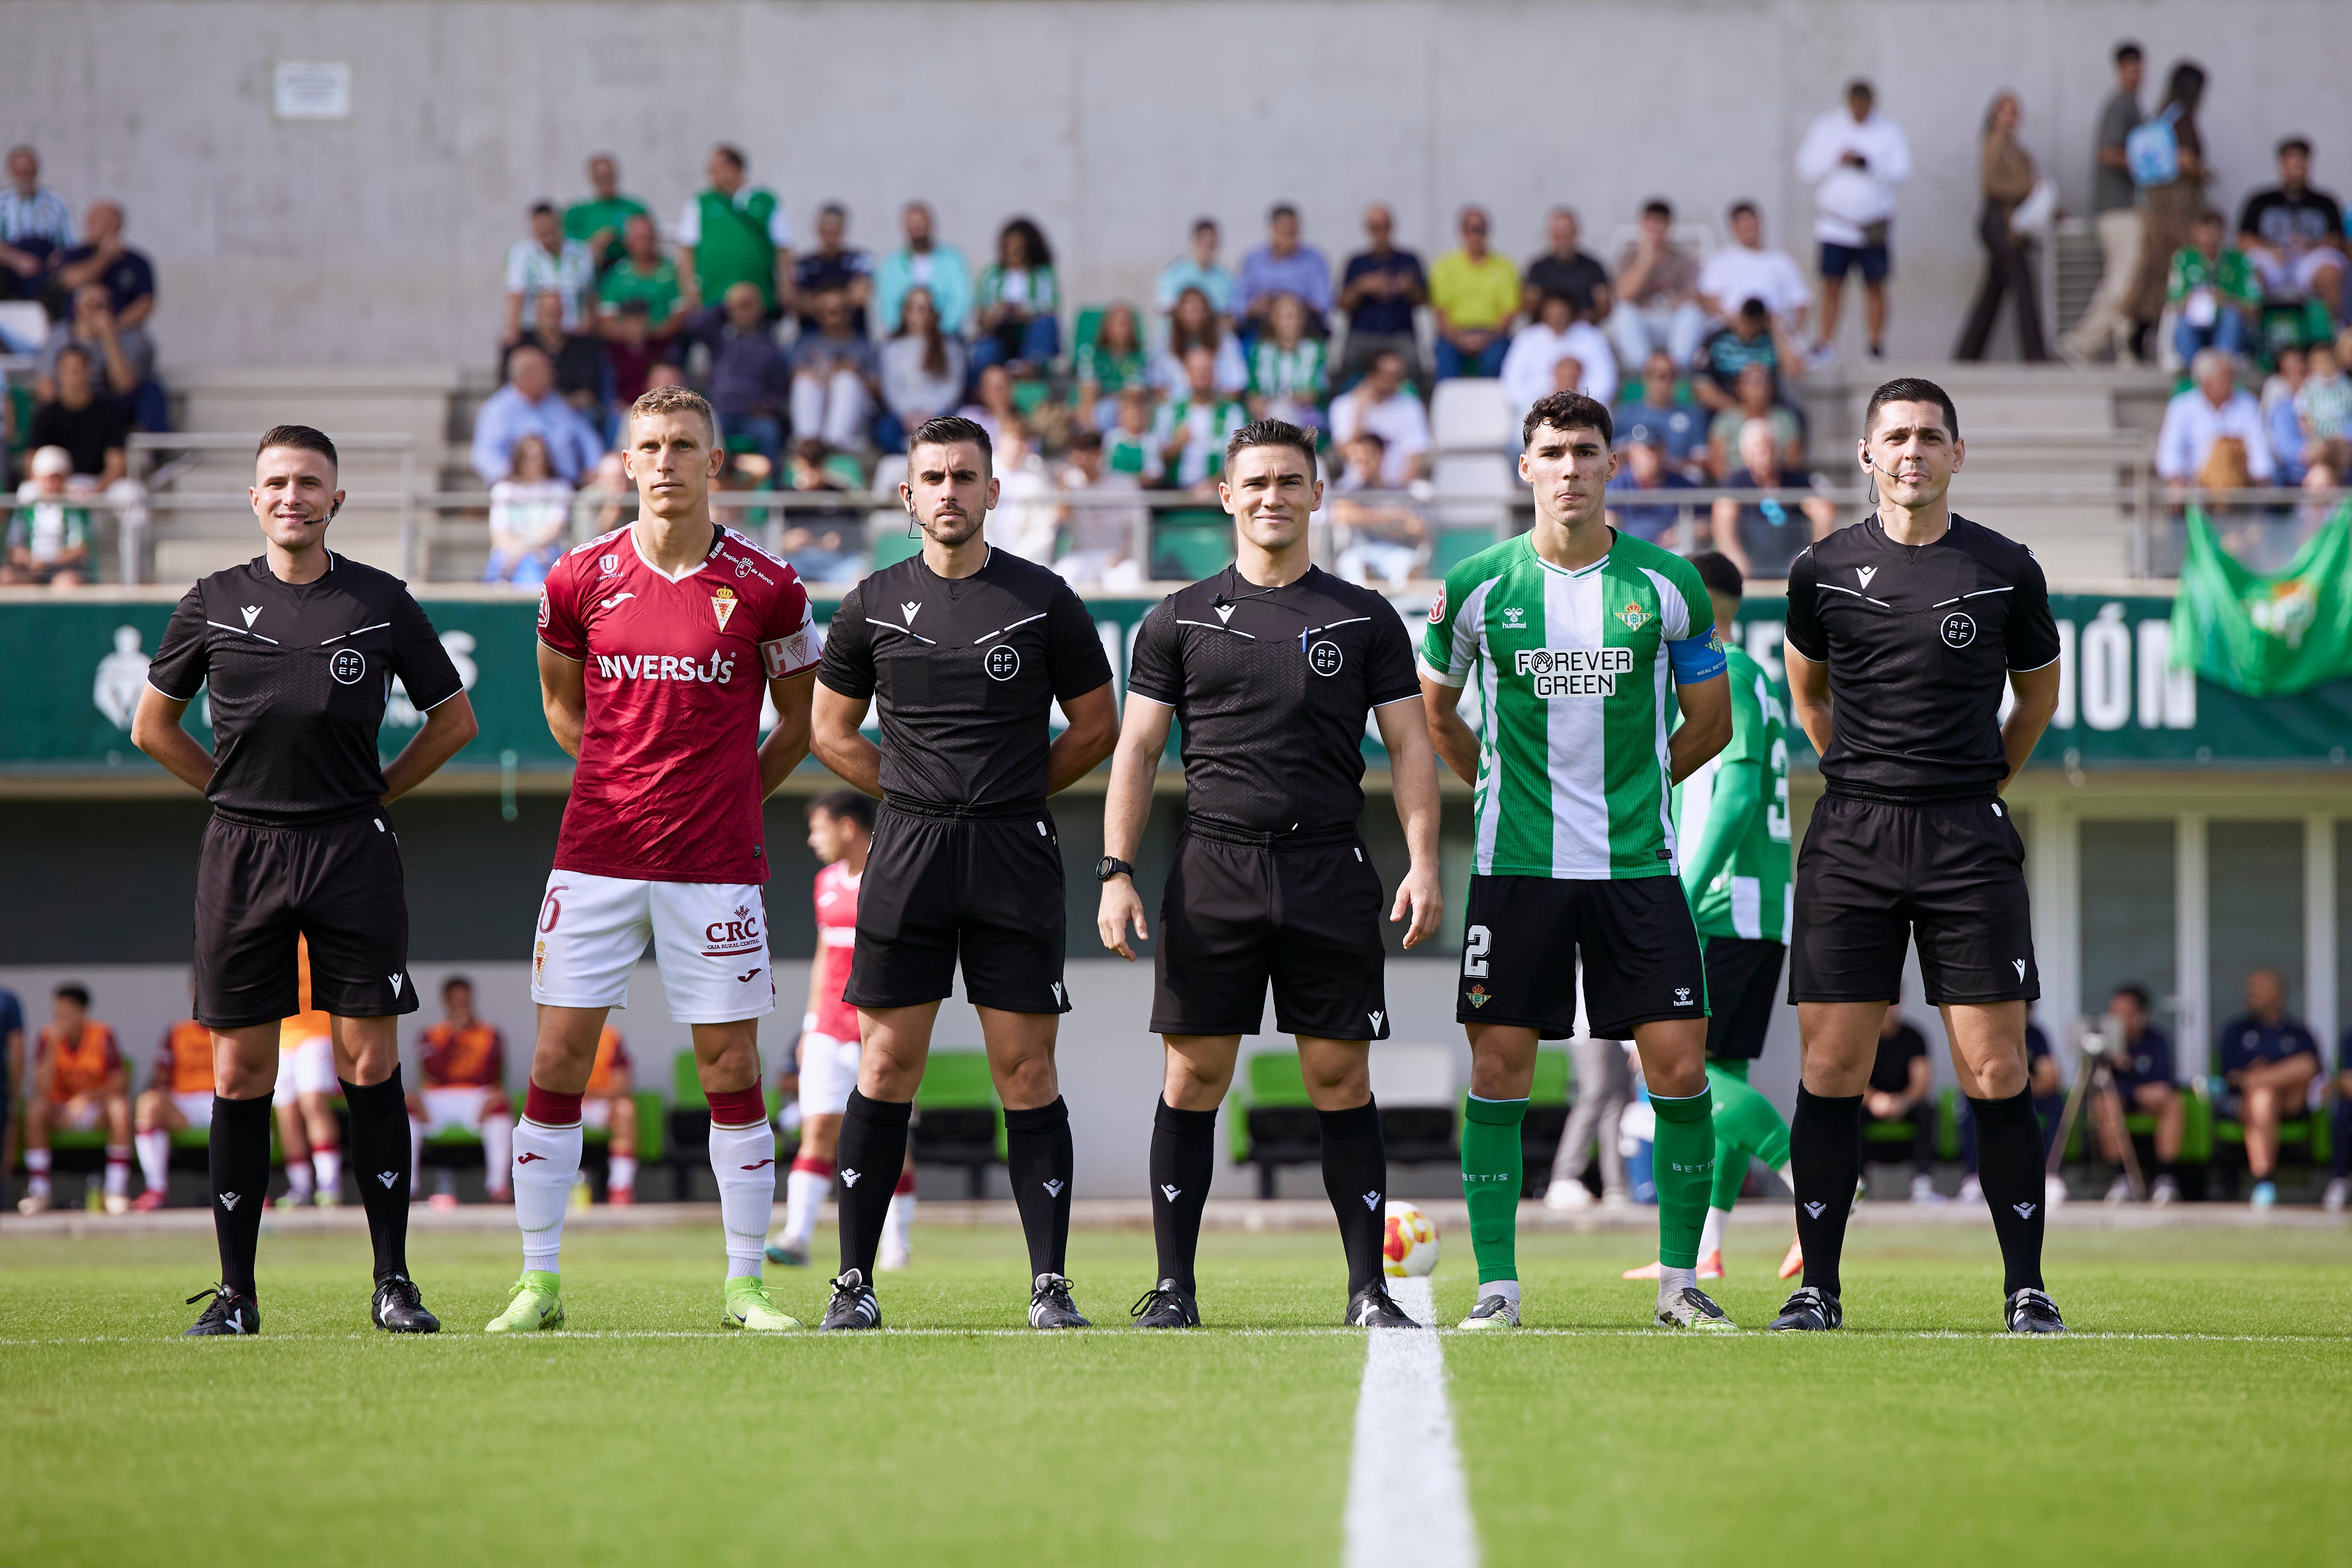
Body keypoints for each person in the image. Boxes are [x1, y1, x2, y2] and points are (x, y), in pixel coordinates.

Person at [131, 424, 480, 1334]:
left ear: (336, 499)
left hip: (351, 850)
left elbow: (454, 720)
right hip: (241, 854)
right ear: (255, 499)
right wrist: (230, 790)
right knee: (243, 1070)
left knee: (370, 1061)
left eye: (310, 483)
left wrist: (378, 793)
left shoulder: (379, 599)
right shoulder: (209, 601)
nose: (292, 495)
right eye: (276, 482)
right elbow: (152, 727)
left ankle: (393, 1280)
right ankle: (237, 1294)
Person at [1100, 418, 1443, 1330]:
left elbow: (1410, 745)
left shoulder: (1363, 614)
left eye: (1290, 480)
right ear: (1225, 495)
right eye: (1254, 481)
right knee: (1192, 1078)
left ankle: (1368, 1289)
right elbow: (1136, 749)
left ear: (1317, 494)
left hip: (1328, 865)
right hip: (1212, 865)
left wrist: (1421, 861)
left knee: (1340, 1079)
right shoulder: (1173, 616)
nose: (1272, 496)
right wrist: (1115, 870)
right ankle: (1174, 1287)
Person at [494, 383, 818, 1334]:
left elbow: (798, 725)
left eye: (684, 444)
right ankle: (539, 1280)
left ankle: (745, 1283)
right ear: (626, 463)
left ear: (713, 464)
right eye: (650, 445)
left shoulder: (769, 584)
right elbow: (562, 707)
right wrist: (621, 777)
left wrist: (724, 797)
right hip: (595, 855)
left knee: (729, 1064)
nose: (667, 460)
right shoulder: (576, 576)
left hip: (715, 863)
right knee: (557, 1055)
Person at [1420, 389, 1736, 1333]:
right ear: (1525, 469)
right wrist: (1496, 786)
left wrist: (1630, 785)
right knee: (1501, 1066)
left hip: (1635, 867)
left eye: (1584, 451)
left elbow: (1708, 724)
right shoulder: (1476, 584)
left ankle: (1680, 1282)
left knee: (1678, 1066)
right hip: (1515, 866)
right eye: (1550, 451)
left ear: (1610, 467)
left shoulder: (1667, 585)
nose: (1567, 467)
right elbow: (1437, 711)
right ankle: (1498, 1287)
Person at [807, 414, 1118, 1332]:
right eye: (932, 477)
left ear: (993, 491)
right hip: (905, 856)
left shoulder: (1044, 598)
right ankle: (853, 1282)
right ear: (907, 495)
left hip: (1013, 856)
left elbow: (1095, 727)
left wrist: (1013, 791)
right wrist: (905, 793)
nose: (949, 491)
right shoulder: (867, 602)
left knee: (1025, 1069)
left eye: (965, 476)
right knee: (886, 1061)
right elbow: (829, 732)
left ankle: (1050, 1284)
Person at [1771, 377, 2066, 1335]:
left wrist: (1977, 786)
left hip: (1965, 839)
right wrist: (1861, 775)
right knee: (1832, 1065)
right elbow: (1808, 693)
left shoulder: (2005, 569)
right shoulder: (1818, 570)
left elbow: (2035, 701)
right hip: (1854, 833)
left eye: (1930, 437)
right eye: (1895, 437)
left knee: (1996, 1067)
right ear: (1867, 456)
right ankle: (1817, 1288)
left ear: (1956, 454)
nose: (1912, 451)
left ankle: (2027, 1288)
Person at [1624, 551, 1802, 1280]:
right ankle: (1705, 1248)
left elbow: (1732, 797)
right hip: (1748, 906)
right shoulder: (1748, 678)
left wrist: (1683, 895)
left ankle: (1820, 1184)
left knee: (1677, 1066)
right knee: (1718, 1072)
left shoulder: (1722, 673)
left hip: (1722, 903)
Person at [766, 792, 915, 1270]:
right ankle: (796, 1238)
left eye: (818, 828)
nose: (812, 840)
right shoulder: (825, 882)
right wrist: (810, 1025)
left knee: (890, 1137)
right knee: (818, 1127)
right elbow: (824, 956)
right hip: (829, 1027)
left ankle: (896, 1246)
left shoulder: (892, 873)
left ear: (848, 828)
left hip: (881, 1028)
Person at [1796, 80, 1913, 367]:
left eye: (1865, 106)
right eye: (1856, 105)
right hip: (1835, 225)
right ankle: (1825, 344)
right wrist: (1838, 159)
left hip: (1871, 226)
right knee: (1832, 285)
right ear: (1848, 102)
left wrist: (1870, 163)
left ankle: (1875, 346)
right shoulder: (1827, 128)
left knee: (1875, 285)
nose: (1860, 111)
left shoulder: (1888, 130)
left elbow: (1903, 171)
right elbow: (1806, 168)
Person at [2061, 43, 2147, 363]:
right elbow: (2108, 152)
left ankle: (2126, 352)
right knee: (2122, 284)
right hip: (2117, 210)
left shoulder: (2133, 106)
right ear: (2119, 70)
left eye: (2139, 67)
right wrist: (2150, 164)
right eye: (2130, 67)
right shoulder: (2120, 105)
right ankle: (2080, 343)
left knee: (2127, 282)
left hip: (2126, 211)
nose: (2136, 74)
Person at [15, 984, 131, 1215]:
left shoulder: (102, 1034)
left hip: (94, 1109)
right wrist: (53, 1047)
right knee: (35, 1110)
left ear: (82, 1012)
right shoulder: (47, 1037)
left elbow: (119, 1081)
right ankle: (39, 1192)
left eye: (66, 1013)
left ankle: (115, 1191)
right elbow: (39, 1087)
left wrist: (88, 1097)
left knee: (120, 1108)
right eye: (57, 1013)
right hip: (60, 1111)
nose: (60, 1019)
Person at [2214, 968, 2322, 1210]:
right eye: (2249, 989)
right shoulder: (2236, 1031)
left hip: (2292, 1102)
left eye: (2259, 989)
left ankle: (2264, 1184)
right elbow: (2230, 1077)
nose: (2251, 994)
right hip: (2245, 1103)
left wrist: (2265, 1075)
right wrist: (2255, 1080)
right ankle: (2264, 1181)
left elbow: (2312, 1071)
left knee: (2299, 1067)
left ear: (2278, 995)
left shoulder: (2299, 1033)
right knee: (2263, 1097)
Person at [1955, 92, 2050, 362]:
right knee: (2023, 284)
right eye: (2007, 111)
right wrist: (2028, 188)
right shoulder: (1995, 141)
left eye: (2016, 112)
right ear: (1995, 114)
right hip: (1999, 222)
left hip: (2009, 222)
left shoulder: (2013, 145)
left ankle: (1968, 354)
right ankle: (2035, 356)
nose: (2013, 117)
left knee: (1993, 292)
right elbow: (1992, 184)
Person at [407, 976, 513, 1207]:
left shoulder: (490, 1033)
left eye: (465, 1000)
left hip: (476, 1096)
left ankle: (498, 1189)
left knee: (501, 1106)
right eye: (456, 1001)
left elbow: (488, 1074)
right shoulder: (431, 1034)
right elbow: (435, 1072)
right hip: (438, 1098)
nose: (462, 1006)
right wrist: (454, 1036)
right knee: (407, 1104)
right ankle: (410, 1188)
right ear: (446, 1002)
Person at [2124, 63, 2210, 346]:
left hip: (2155, 202)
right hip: (2177, 206)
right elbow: (2185, 162)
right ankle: (2165, 339)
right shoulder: (2181, 119)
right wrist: (2204, 173)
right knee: (2179, 269)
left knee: (2155, 269)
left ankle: (2141, 336)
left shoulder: (2160, 115)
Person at [2238, 138, 2347, 335]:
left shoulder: (2325, 202)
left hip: (2309, 259)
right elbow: (2243, 240)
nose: (2297, 168)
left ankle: (2335, 333)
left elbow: (2337, 241)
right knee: (2249, 272)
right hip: (2273, 259)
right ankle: (2250, 335)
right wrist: (2269, 249)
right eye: (2292, 163)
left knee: (2331, 273)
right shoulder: (2260, 200)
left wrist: (2311, 245)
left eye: (2301, 163)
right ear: (2281, 164)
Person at [1710, 416, 1838, 579]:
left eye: (1770, 449)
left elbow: (1822, 511)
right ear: (1746, 454)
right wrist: (1735, 556)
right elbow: (1723, 513)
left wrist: (1810, 556)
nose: (1766, 456)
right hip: (1749, 558)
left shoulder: (1795, 479)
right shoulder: (1737, 480)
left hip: (1791, 556)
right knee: (1724, 508)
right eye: (1759, 450)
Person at [679, 282, 793, 464]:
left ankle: (772, 488)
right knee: (701, 431)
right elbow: (693, 325)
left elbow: (778, 391)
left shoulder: (770, 347)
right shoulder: (721, 338)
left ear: (760, 309)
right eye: (740, 306)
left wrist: (766, 407)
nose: (744, 311)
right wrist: (724, 306)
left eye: (749, 305)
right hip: (720, 410)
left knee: (769, 432)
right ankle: (706, 483)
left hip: (752, 414)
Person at [2089, 983, 2182, 1205]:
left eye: (2123, 1013)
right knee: (2106, 1103)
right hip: (2120, 1100)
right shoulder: (2102, 1045)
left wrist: (2131, 1070)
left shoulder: (2157, 1040)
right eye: (2114, 1012)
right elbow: (2096, 1086)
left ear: (2140, 1016)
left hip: (2151, 1103)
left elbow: (2166, 1081)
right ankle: (2122, 1178)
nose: (2116, 1019)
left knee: (2174, 1103)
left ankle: (2165, 1178)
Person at [678, 144, 793, 319]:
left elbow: (784, 246)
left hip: (760, 297)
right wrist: (689, 290)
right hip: (715, 296)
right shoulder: (701, 203)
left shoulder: (766, 200)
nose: (711, 176)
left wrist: (787, 286)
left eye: (715, 170)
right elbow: (686, 251)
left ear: (734, 168)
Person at [270, 936, 343, 1209]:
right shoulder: (271, 929)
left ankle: (329, 1182)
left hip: (317, 1030)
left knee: (313, 1102)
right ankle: (300, 1185)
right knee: (286, 1112)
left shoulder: (318, 930)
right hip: (280, 1032)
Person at [469, 344, 606, 485]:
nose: (554, 374)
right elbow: (484, 456)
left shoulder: (556, 402)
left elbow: (587, 437)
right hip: (518, 493)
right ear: (528, 375)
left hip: (565, 489)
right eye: (546, 369)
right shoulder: (497, 409)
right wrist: (515, 479)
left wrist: (593, 467)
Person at [596, 213, 689, 407]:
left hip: (662, 349)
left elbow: (681, 313)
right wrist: (630, 334)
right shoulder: (617, 274)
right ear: (628, 242)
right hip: (624, 352)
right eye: (638, 238)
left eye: (648, 238)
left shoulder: (670, 271)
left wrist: (653, 333)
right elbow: (605, 319)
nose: (644, 244)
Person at [134, 995, 214, 1211]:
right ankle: (156, 1189)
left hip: (223, 1102)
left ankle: (251, 1192)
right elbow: (161, 1076)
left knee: (251, 1110)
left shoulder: (237, 1028)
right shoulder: (178, 1032)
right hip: (184, 1105)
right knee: (148, 1104)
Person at [1608, 200, 1706, 374]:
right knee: (1623, 313)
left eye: (1660, 223)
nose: (1655, 228)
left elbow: (1695, 297)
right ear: (1643, 224)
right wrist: (1645, 260)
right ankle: (1643, 370)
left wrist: (1678, 300)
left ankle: (1677, 369)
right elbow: (1624, 295)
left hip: (1670, 321)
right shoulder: (1628, 256)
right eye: (1651, 222)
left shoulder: (1682, 259)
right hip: (1643, 320)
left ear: (1668, 226)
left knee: (1693, 313)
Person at [2156, 349, 2274, 491]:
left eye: (2232, 378)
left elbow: (2259, 447)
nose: (2231, 384)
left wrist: (2262, 477)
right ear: (2207, 382)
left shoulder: (2248, 404)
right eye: (2225, 379)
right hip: (2196, 486)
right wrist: (2177, 479)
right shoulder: (2181, 406)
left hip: (2241, 487)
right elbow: (2170, 451)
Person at [1338, 203, 1427, 387]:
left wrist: (1409, 288)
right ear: (1368, 230)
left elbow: (1424, 301)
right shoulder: (1357, 262)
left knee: (1414, 365)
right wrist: (1361, 287)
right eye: (1375, 227)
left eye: (1384, 226)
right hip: (1364, 332)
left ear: (1391, 227)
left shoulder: (1409, 260)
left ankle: (1412, 407)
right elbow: (1342, 305)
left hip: (1399, 333)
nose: (1380, 232)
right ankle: (1346, 406)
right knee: (1347, 365)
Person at [1429, 206, 1520, 380]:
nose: (1476, 236)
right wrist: (1459, 338)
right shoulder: (1445, 266)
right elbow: (1441, 311)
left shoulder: (1505, 266)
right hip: (1455, 333)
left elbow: (1509, 312)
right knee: (1446, 365)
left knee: (1495, 363)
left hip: (1493, 334)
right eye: (1472, 230)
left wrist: (1487, 337)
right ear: (1462, 233)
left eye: (1480, 230)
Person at [788, 289, 882, 452]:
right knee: (805, 381)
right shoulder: (805, 343)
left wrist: (853, 374)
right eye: (828, 311)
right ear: (818, 314)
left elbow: (877, 390)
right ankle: (808, 445)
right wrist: (822, 376)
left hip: (854, 415)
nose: (834, 316)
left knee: (846, 380)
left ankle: (835, 446)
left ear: (850, 313)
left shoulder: (863, 345)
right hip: (818, 405)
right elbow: (793, 378)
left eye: (840, 310)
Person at [1697, 203, 1811, 337]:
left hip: (1774, 331)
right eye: (1742, 222)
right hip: (1732, 332)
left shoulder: (1782, 260)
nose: (1747, 227)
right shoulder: (1720, 260)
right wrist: (1737, 323)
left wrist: (1792, 333)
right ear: (1733, 227)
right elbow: (1709, 298)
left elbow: (1801, 303)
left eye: (1750, 221)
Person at [1054, 429, 1146, 589]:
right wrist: (1063, 493)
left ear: (1100, 454)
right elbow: (1062, 520)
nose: (1083, 461)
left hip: (1118, 557)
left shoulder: (1124, 484)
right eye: (1078, 454)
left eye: (1088, 454)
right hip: (1081, 557)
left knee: (1129, 582)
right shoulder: (1069, 484)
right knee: (1059, 579)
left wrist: (1122, 556)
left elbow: (1137, 529)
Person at [1860, 1010, 1937, 1201]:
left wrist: (1903, 1101)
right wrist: (1875, 1100)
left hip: (1905, 1105)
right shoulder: (1862, 1037)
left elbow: (1921, 1083)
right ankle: (1858, 1183)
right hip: (1872, 1105)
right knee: (1851, 1112)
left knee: (1926, 1111)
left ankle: (1922, 1181)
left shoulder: (1914, 1037)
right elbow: (1854, 1081)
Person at [482, 433, 576, 590]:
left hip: (545, 552)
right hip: (509, 554)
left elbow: (554, 529)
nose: (535, 463)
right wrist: (520, 551)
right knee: (503, 563)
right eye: (529, 457)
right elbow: (499, 534)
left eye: (539, 457)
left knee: (533, 563)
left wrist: (523, 551)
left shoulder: (560, 489)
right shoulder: (504, 490)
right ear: (519, 459)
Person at [2167, 209, 2261, 364]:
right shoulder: (2183, 259)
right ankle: (2195, 370)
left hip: (2230, 330)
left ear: (2222, 233)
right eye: (2202, 234)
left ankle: (2220, 367)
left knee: (2231, 314)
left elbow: (2254, 306)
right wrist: (2193, 300)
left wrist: (2225, 300)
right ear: (2194, 234)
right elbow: (2173, 302)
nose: (2207, 240)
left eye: (2212, 234)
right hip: (2195, 327)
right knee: (2183, 319)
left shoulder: (2240, 260)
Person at [1500, 292, 1615, 417]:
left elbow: (1605, 382)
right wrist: (1541, 406)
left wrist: (1578, 403)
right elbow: (1512, 381)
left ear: (1571, 314)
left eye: (1562, 315)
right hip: (1535, 409)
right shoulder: (1528, 337)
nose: (1557, 319)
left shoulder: (1592, 336)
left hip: (1582, 410)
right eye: (1552, 314)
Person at [880, 285, 968, 450]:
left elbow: (953, 387)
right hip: (903, 416)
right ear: (905, 312)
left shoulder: (951, 347)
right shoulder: (891, 348)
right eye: (914, 308)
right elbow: (890, 388)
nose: (920, 315)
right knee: (885, 431)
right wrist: (908, 415)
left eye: (924, 309)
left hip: (940, 413)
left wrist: (931, 415)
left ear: (934, 313)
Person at [1327, 351, 1431, 487]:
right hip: (1356, 487)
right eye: (1388, 375)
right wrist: (1360, 413)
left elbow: (1416, 455)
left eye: (1398, 375)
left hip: (1399, 488)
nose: (1394, 380)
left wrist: (1397, 490)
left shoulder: (1411, 406)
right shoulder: (1343, 406)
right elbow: (1345, 452)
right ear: (1371, 375)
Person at [1152, 346, 1248, 494]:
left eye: (1206, 369)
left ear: (1215, 373)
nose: (1201, 375)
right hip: (1174, 492)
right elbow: (1153, 460)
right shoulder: (1168, 411)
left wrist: (1215, 484)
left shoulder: (1233, 413)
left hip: (1219, 493)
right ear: (1186, 374)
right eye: (1196, 370)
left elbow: (1241, 461)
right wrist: (1176, 445)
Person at [972, 217, 1062, 375]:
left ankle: (1028, 371)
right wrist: (996, 315)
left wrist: (1023, 313)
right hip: (1000, 334)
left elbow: (1050, 310)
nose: (1013, 252)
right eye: (1009, 247)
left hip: (1031, 335)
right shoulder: (991, 276)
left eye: (1018, 247)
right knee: (984, 351)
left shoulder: (1043, 275)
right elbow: (981, 316)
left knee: (1046, 323)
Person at [503, 203, 598, 349]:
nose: (544, 232)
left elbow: (590, 294)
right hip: (534, 332)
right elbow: (517, 293)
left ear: (559, 225)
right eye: (539, 228)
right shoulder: (521, 254)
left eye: (548, 227)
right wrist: (512, 330)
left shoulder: (582, 254)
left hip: (572, 331)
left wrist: (591, 327)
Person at [875, 201, 972, 337]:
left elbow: (961, 301)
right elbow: (887, 306)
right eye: (913, 224)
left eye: (921, 223)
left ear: (931, 224)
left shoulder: (953, 260)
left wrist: (941, 332)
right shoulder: (891, 265)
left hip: (946, 335)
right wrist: (906, 332)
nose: (918, 228)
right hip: (904, 336)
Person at [55, 201, 155, 329]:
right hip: (75, 328)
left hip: (123, 330)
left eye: (98, 222)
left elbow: (145, 302)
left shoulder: (138, 262)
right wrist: (104, 258)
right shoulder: (74, 255)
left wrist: (113, 328)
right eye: (90, 221)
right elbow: (71, 281)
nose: (90, 226)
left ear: (117, 225)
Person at [1237, 204, 1332, 338]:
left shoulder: (1315, 260)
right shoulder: (1253, 260)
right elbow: (1239, 303)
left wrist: (1293, 305)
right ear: (1273, 230)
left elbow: (1323, 303)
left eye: (1294, 233)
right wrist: (1255, 307)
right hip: (1261, 325)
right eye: (1285, 233)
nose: (1291, 239)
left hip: (1304, 327)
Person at [4, 445, 93, 586]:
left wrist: (49, 561)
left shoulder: (74, 508)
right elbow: (14, 546)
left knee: (68, 584)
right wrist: (30, 560)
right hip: (30, 571)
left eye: (57, 478)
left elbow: (80, 548)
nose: (51, 483)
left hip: (64, 571)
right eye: (47, 478)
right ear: (37, 478)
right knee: (5, 579)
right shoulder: (26, 508)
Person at [1694, 299, 1801, 414]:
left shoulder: (1772, 339)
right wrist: (1739, 411)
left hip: (1769, 410)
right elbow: (1702, 384)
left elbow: (1795, 371)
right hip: (1727, 409)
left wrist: (1777, 330)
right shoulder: (1716, 340)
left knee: (1794, 416)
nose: (1750, 323)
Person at [1615, 351, 1710, 478]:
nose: (1659, 382)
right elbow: (1613, 457)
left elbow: (1699, 464)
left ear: (1675, 379)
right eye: (1652, 374)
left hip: (1676, 486)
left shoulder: (1692, 416)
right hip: (1633, 487)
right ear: (1645, 377)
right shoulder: (1626, 413)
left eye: (1666, 376)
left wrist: (1663, 462)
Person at [1601, 425, 1699, 545]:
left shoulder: (1681, 484)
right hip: (1630, 551)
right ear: (1632, 453)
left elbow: (1705, 523)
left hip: (1673, 554)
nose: (1651, 457)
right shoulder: (1618, 484)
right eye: (1645, 450)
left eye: (1655, 450)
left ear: (1664, 451)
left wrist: (1683, 532)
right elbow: (1608, 527)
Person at [1706, 363, 1805, 480]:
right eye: (1753, 382)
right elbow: (1716, 462)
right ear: (1740, 387)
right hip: (1735, 487)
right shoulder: (1725, 420)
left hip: (1776, 485)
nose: (1759, 388)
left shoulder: (1786, 419)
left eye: (1764, 382)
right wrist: (1735, 486)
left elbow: (1793, 461)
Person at [0, 144, 74, 298]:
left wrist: (58, 258)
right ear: (11, 173)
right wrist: (17, 260)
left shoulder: (56, 203)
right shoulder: (3, 202)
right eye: (19, 173)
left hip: (46, 267)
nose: (25, 178)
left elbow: (69, 242)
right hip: (10, 266)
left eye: (29, 172)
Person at [1245, 292, 1329, 429]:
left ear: (1303, 319)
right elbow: (1253, 392)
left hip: (1306, 415)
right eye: (1285, 317)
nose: (1292, 322)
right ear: (1273, 320)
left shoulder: (1316, 349)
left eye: (1296, 316)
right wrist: (1257, 403)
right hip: (1266, 413)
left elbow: (1315, 392)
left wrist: (1285, 400)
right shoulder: (1260, 350)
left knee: (1281, 411)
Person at [793, 202, 874, 338]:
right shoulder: (804, 264)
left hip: (854, 338)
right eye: (827, 229)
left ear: (843, 230)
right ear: (819, 229)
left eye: (835, 229)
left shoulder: (859, 260)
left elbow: (860, 297)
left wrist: (819, 303)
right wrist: (840, 301)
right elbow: (798, 303)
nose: (831, 234)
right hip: (812, 340)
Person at [1524, 207, 1611, 330]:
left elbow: (1604, 306)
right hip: (1546, 332)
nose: (1562, 241)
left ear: (1575, 233)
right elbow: (1529, 306)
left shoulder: (1593, 267)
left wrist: (1582, 318)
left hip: (1583, 330)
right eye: (1558, 236)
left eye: (1566, 235)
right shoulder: (1538, 268)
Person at [1156, 285, 1248, 397]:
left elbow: (1236, 383)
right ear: (1179, 314)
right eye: (1191, 311)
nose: (1197, 317)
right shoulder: (1166, 344)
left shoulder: (1226, 341)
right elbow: (1158, 387)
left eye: (1201, 311)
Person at [1154, 218, 1235, 345]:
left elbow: (1229, 316)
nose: (1207, 249)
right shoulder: (1174, 273)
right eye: (1203, 243)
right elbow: (1165, 310)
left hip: (1212, 342)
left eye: (1212, 245)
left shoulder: (1225, 278)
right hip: (1178, 343)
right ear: (1194, 242)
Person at [563, 153, 648, 273]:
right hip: (591, 271)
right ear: (593, 178)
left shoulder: (634, 209)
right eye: (601, 177)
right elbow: (566, 247)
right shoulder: (578, 213)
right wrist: (593, 245)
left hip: (627, 270)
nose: (606, 180)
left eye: (609, 176)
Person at [581, 1025, 637, 1203]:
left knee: (625, 1110)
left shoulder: (610, 1037)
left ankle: (620, 1187)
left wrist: (591, 1093)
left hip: (599, 1104)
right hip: (567, 1102)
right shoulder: (557, 1031)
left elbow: (622, 1085)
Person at [1072, 300, 1147, 431]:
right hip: (1095, 408)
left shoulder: (1139, 357)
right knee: (1099, 411)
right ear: (1107, 327)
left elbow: (1134, 394)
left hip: (1122, 409)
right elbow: (1088, 391)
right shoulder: (1090, 353)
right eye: (1120, 325)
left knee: (1125, 410)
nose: (1124, 330)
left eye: (1128, 325)